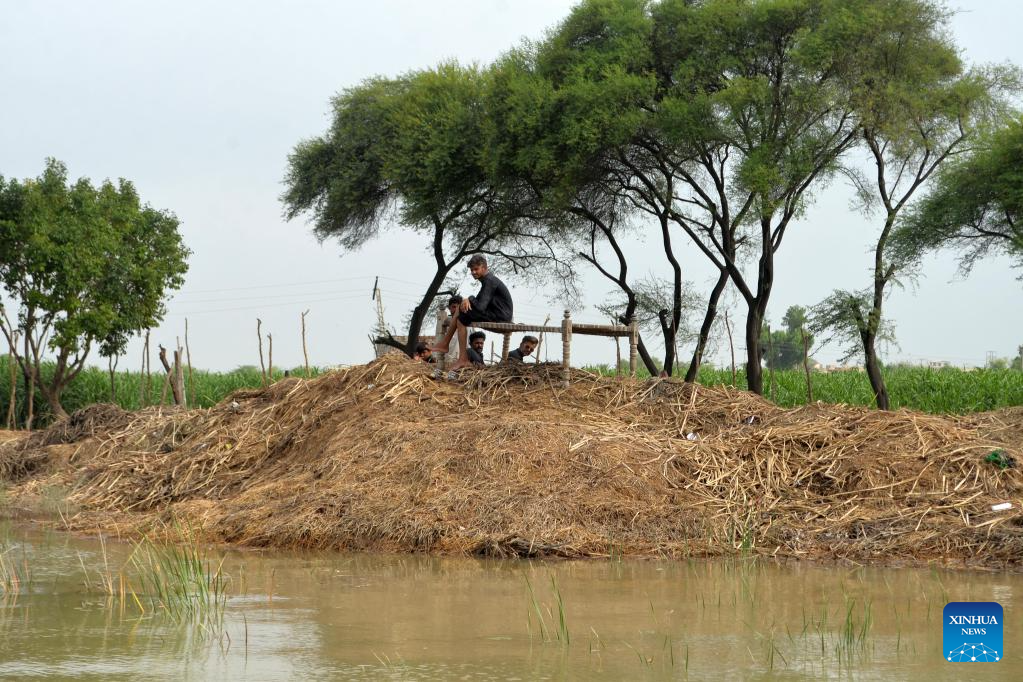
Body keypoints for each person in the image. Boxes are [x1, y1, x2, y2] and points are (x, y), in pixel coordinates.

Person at [433, 254, 513, 369]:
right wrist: (467, 301)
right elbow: (478, 303)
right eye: (471, 270)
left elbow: (480, 307)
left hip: (501, 316)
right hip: (497, 314)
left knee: (462, 313)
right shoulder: (486, 281)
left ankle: (454, 351)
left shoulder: (489, 281)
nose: (473, 272)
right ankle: (453, 351)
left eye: (476, 269)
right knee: (461, 313)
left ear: (484, 268)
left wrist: (469, 298)